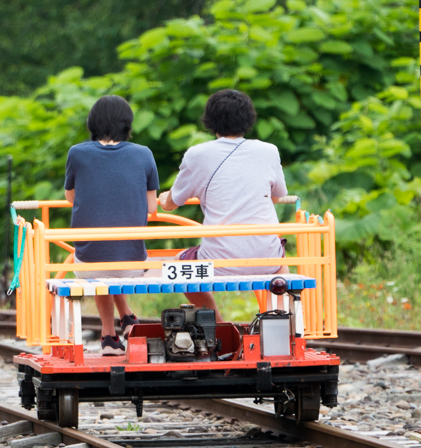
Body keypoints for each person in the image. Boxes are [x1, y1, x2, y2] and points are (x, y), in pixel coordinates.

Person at [159, 89, 288, 322]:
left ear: (210, 121)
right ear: (249, 119)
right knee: (281, 264)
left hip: (218, 261)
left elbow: (171, 204)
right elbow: (278, 195)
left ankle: (220, 325)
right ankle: (284, 322)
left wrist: (163, 198)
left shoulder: (197, 154)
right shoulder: (269, 151)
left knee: (180, 264)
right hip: (265, 257)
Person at [65, 95, 159, 356]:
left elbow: (71, 197)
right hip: (132, 262)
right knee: (113, 260)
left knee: (100, 262)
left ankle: (109, 335)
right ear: (127, 124)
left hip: (88, 260)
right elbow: (152, 208)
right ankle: (127, 317)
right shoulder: (143, 154)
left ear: (92, 123)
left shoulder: (77, 153)